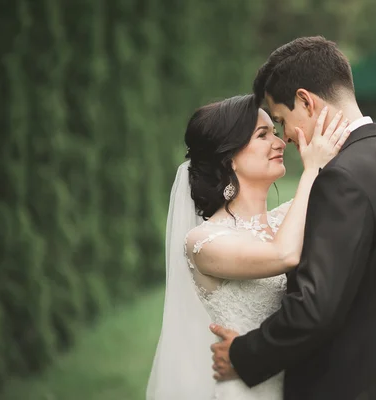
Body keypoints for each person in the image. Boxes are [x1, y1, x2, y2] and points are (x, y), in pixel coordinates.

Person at [209, 36, 376, 400]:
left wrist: (243, 354)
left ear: (305, 100)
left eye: (282, 120)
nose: (286, 137)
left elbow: (315, 307)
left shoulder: (340, 179)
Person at [146, 94, 351, 399]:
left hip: (303, 381)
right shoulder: (204, 242)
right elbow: (285, 254)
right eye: (263, 135)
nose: (280, 143)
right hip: (248, 387)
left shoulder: (288, 218)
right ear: (229, 158)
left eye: (276, 132)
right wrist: (311, 170)